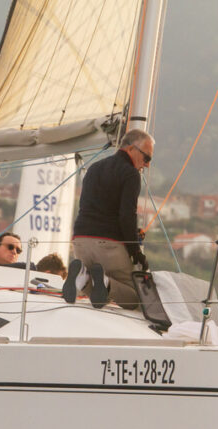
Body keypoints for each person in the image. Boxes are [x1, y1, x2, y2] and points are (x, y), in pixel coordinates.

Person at [65, 128, 154, 310]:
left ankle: (83, 277)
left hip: (80, 240)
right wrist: (135, 251)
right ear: (131, 149)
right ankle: (105, 282)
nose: (147, 165)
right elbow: (126, 215)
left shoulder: (94, 168)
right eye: (147, 158)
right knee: (134, 297)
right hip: (108, 244)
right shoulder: (130, 174)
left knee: (99, 295)